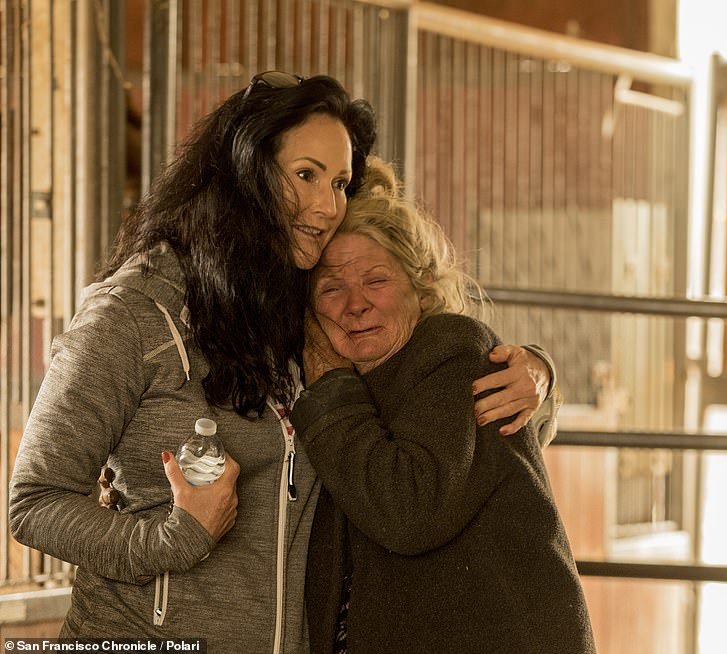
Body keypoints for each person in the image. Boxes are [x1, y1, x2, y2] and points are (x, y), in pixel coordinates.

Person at [8, 72, 555, 653]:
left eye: (341, 182)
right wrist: (173, 540)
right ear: (245, 173)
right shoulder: (133, 313)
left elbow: (424, 375)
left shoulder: (302, 308)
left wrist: (536, 373)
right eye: (306, 175)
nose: (327, 205)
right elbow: (35, 502)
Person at [291, 156, 596, 653]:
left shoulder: (453, 351)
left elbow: (406, 508)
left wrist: (330, 389)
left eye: (376, 280)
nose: (355, 304)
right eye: (331, 288)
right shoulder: (334, 372)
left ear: (421, 285)